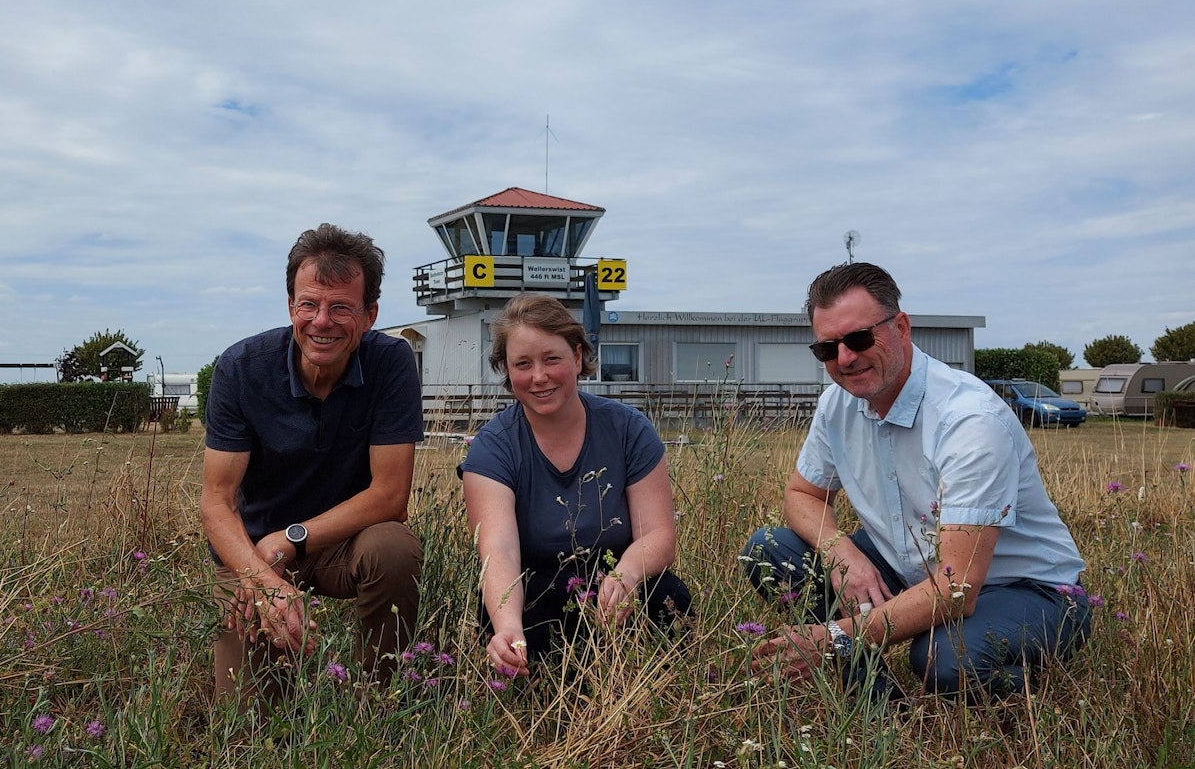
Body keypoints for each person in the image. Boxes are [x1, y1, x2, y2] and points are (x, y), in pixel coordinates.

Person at [743, 262, 1091, 699]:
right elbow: (802, 495)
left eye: (858, 338)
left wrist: (834, 637)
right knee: (768, 549)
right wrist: (840, 553)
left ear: (901, 327)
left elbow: (956, 587)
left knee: (944, 659)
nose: (845, 358)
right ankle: (869, 694)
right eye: (827, 349)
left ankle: (1032, 695)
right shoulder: (838, 405)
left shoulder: (969, 420)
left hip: (1024, 589)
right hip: (911, 565)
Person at [199, 223, 425, 700]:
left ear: (369, 315)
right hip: (254, 549)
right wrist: (261, 576)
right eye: (309, 304)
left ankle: (383, 698)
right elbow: (216, 503)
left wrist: (291, 540)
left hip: (343, 542)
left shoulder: (392, 363)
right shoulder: (241, 368)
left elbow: (390, 495)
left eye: (341, 307)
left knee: (394, 547)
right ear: (290, 307)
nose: (322, 321)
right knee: (244, 718)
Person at [461, 293, 691, 677]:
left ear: (578, 357)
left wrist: (627, 574)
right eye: (523, 364)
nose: (539, 376)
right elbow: (497, 551)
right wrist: (507, 627)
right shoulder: (492, 447)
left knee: (670, 596)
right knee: (518, 633)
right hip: (536, 591)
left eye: (552, 359)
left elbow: (658, 534)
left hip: (614, 589)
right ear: (507, 371)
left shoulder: (629, 429)